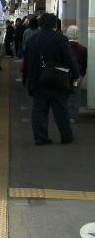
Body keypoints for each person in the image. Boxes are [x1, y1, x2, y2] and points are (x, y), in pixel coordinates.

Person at [21, 13, 80, 145]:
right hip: (57, 80)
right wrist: (76, 75)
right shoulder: (60, 39)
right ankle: (66, 136)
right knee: (61, 110)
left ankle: (40, 138)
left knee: (39, 110)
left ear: (40, 25)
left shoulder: (32, 41)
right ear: (55, 25)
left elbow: (27, 63)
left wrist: (26, 79)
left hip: (38, 80)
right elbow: (70, 59)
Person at [66, 25, 87, 123]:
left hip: (65, 74)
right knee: (76, 96)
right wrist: (82, 74)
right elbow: (84, 64)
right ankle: (73, 116)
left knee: (65, 95)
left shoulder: (65, 47)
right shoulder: (83, 49)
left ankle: (64, 115)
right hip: (78, 75)